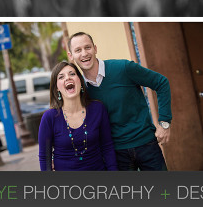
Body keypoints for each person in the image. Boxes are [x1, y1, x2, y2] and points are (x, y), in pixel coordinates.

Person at [67, 32, 172, 171]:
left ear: (95, 49)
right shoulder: (80, 89)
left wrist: (164, 123)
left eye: (88, 47)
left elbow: (161, 83)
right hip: (115, 155)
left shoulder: (123, 68)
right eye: (78, 50)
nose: (84, 53)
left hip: (147, 145)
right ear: (71, 56)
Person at [38, 61, 118, 171]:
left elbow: (107, 147)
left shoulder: (98, 108)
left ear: (80, 80)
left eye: (72, 74)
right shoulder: (49, 117)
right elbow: (44, 158)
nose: (67, 78)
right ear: (57, 88)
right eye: (61, 77)